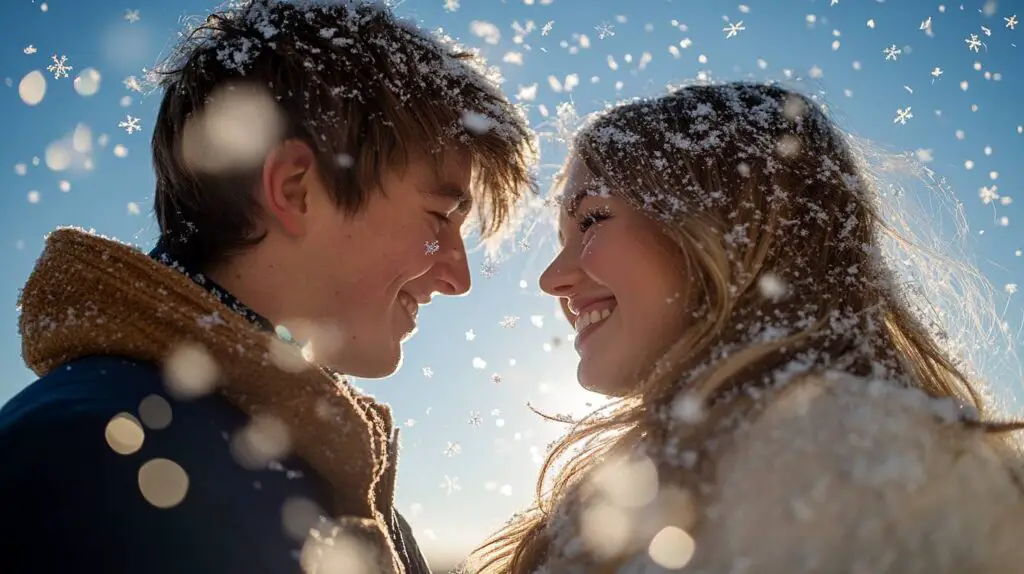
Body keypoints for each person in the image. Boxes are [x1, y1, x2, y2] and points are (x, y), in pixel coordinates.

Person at [0, 1, 534, 573]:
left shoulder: (301, 462)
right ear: (296, 188)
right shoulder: (91, 466)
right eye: (439, 218)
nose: (458, 277)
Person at [467, 82, 1024, 573]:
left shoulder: (841, 460)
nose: (552, 279)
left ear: (728, 224)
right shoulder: (701, 461)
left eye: (591, 219)